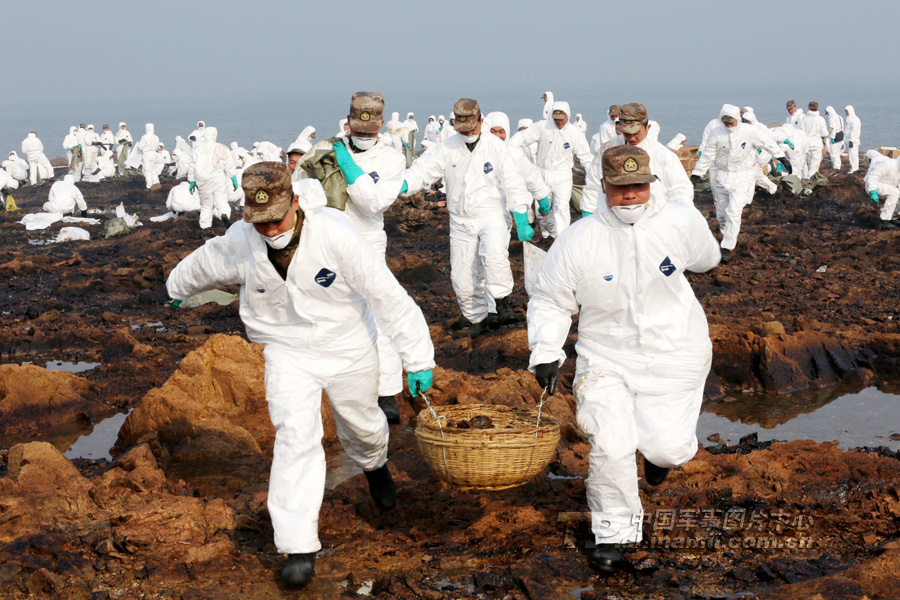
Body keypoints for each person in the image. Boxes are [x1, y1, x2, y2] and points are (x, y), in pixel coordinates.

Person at [166, 162, 435, 588]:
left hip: (348, 344)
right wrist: (176, 289)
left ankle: (375, 464)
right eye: (260, 224)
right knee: (295, 436)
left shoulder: (335, 232)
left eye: (277, 219)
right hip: (287, 349)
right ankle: (298, 545)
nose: (270, 230)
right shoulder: (242, 241)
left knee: (363, 426)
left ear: (295, 201)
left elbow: (386, 294)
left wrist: (417, 357)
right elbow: (204, 264)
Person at [527, 144, 720, 574]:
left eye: (638, 186)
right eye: (620, 188)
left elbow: (709, 259)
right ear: (603, 187)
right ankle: (613, 533)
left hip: (677, 351)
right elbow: (551, 299)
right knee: (611, 443)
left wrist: (693, 231)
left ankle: (658, 457)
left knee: (669, 448)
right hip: (606, 356)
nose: (630, 196)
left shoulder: (677, 222)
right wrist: (546, 350)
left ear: (650, 185)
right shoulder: (580, 238)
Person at [310, 91, 411, 423]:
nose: (365, 134)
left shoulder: (392, 159)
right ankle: (335, 387)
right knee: (329, 313)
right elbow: (302, 189)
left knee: (378, 316)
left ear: (381, 124)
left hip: (367, 243)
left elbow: (373, 203)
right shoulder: (324, 149)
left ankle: (386, 393)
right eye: (359, 128)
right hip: (329, 240)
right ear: (348, 122)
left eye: (371, 130)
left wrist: (348, 167)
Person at [403, 97, 534, 337]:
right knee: (462, 275)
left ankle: (503, 304)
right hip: (461, 220)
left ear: (481, 121)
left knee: (494, 256)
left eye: (472, 128)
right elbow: (422, 170)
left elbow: (513, 181)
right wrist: (404, 183)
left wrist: (521, 215)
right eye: (463, 130)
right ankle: (479, 319)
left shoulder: (496, 147)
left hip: (491, 213)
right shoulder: (447, 148)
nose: (468, 133)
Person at [691, 104, 790, 263]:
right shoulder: (717, 133)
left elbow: (767, 142)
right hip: (720, 176)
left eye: (732, 122)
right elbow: (708, 155)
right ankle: (726, 231)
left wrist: (781, 156)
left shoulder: (749, 132)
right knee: (722, 215)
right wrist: (696, 174)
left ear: (738, 119)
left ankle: (727, 247)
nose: (729, 126)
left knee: (734, 211)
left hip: (742, 176)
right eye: (726, 122)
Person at [583, 103, 693, 216]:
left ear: (647, 127)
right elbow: (594, 185)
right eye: (627, 133)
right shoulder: (608, 151)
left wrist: (677, 218)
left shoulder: (663, 156)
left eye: (636, 133)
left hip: (655, 220)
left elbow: (680, 191)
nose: (632, 138)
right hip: (614, 221)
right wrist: (589, 212)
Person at [510, 100, 594, 238]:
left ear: (568, 116)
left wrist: (596, 176)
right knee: (543, 212)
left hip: (563, 176)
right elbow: (523, 137)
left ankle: (562, 240)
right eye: (556, 119)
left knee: (561, 208)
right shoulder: (542, 127)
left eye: (562, 119)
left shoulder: (574, 133)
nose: (559, 122)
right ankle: (547, 236)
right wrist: (509, 149)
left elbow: (585, 157)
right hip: (542, 174)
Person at [483, 111, 552, 231]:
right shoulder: (478, 154)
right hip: (479, 209)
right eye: (492, 131)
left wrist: (542, 197)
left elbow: (530, 176)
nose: (497, 136)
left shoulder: (513, 153)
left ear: (507, 132)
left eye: (501, 131)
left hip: (502, 211)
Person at [188, 126, 238, 229]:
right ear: (215, 135)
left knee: (206, 205)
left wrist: (192, 180)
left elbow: (192, 165)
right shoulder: (222, 147)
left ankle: (205, 227)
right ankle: (224, 214)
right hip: (217, 178)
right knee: (221, 201)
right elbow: (229, 163)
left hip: (202, 180)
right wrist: (233, 177)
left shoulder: (198, 148)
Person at [864, 155, 900, 229]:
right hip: (874, 185)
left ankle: (892, 217)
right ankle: (884, 220)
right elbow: (873, 175)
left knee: (896, 194)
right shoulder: (890, 164)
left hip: (886, 187)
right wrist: (873, 191)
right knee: (895, 193)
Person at [799, 102, 829, 178]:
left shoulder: (804, 118)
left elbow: (800, 131)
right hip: (816, 144)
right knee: (814, 164)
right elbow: (824, 133)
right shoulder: (820, 119)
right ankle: (810, 181)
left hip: (806, 144)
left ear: (809, 108)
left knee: (807, 163)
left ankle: (805, 179)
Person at [138, 124, 161, 189]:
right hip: (154, 154)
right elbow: (157, 146)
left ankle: (149, 186)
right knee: (154, 170)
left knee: (147, 171)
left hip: (147, 154)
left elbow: (140, 147)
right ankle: (156, 184)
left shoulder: (144, 137)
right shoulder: (156, 137)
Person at [825, 106, 844, 171]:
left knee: (833, 153)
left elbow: (833, 128)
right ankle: (838, 164)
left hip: (835, 136)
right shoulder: (839, 117)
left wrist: (832, 137)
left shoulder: (832, 118)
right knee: (837, 152)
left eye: (827, 112)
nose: (827, 114)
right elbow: (842, 127)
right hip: (840, 135)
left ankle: (836, 167)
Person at [845, 105, 861, 173]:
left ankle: (854, 169)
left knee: (853, 155)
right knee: (852, 155)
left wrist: (851, 140)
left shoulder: (854, 119)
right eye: (845, 111)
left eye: (847, 111)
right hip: (850, 140)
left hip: (853, 140)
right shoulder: (849, 118)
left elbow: (853, 130)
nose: (846, 112)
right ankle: (853, 168)